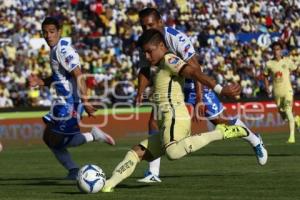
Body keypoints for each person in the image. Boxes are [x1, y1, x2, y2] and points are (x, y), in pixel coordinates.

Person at [101, 29, 250, 193]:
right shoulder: (158, 65)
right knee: (136, 152)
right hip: (166, 121)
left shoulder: (169, 59)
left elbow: (194, 72)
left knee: (172, 152)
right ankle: (108, 184)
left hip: (174, 116)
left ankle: (222, 132)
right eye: (144, 53)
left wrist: (220, 89)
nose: (147, 56)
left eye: (149, 51)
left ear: (161, 46)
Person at [136, 8, 267, 183]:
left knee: (219, 122)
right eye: (143, 27)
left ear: (161, 22)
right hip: (172, 84)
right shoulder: (147, 42)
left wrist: (199, 99)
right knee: (154, 120)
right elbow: (144, 70)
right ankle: (153, 172)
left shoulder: (176, 38)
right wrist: (139, 92)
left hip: (191, 82)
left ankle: (253, 138)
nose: (147, 29)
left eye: (150, 25)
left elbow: (195, 69)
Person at [29, 17, 115, 180]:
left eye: (52, 32)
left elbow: (78, 74)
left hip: (70, 102)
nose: (48, 36)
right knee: (49, 139)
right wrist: (41, 81)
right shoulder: (54, 50)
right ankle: (74, 168)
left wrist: (86, 101)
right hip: (61, 101)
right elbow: (61, 76)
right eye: (45, 32)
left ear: (60, 31)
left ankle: (91, 139)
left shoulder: (63, 49)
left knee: (55, 140)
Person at [264, 42, 300, 143]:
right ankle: (297, 119)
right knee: (284, 116)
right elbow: (265, 76)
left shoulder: (287, 61)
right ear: (272, 51)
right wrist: (267, 88)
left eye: (278, 49)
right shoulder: (269, 64)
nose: (276, 51)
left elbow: (296, 69)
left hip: (287, 91)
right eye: (274, 49)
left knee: (288, 111)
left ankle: (292, 137)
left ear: (281, 50)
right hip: (276, 93)